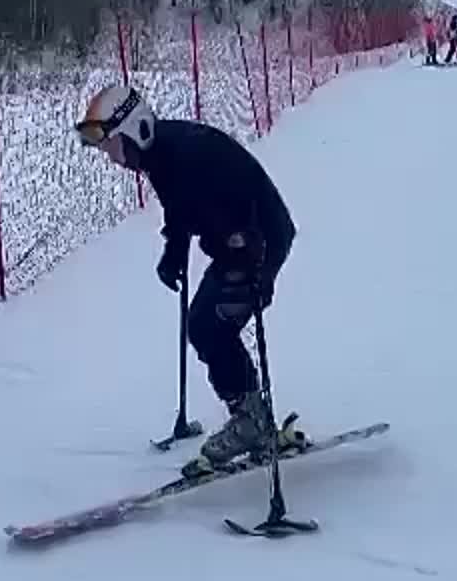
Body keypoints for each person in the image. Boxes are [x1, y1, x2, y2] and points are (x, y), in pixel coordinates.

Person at [75, 84, 298, 477]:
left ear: (135, 131)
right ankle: (253, 416)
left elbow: (242, 193)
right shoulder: (161, 156)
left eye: (111, 146)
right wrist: (174, 250)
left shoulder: (185, 153)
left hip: (257, 240)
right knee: (205, 325)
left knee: (211, 326)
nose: (111, 158)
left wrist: (259, 267)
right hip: (234, 243)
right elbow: (179, 206)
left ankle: (252, 422)